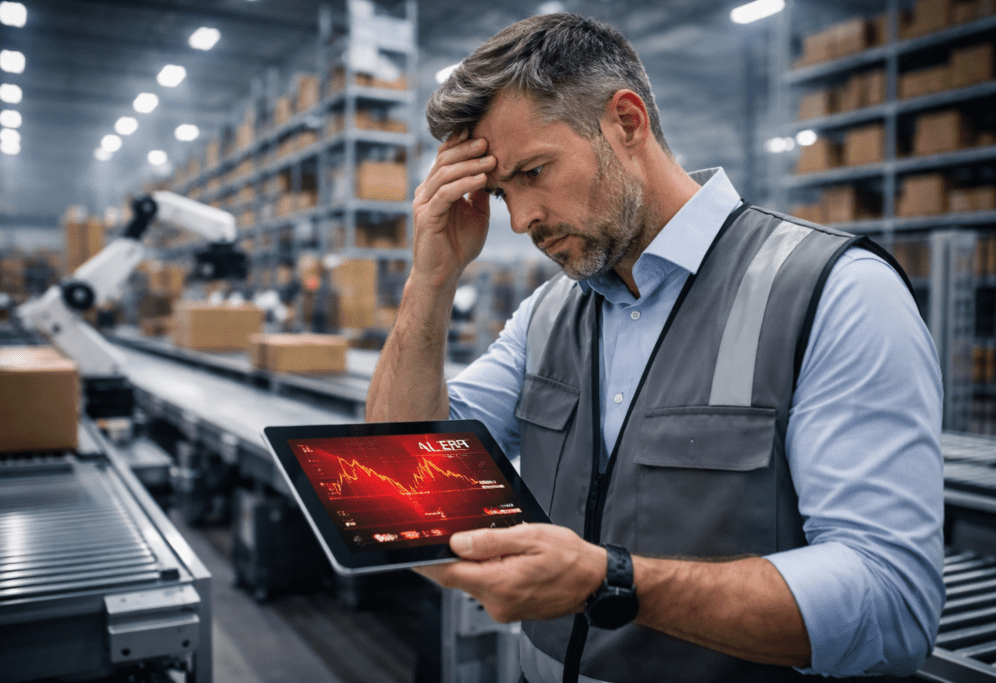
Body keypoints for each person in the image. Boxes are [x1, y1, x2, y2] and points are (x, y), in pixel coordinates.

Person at [366, 12, 945, 683]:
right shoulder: (549, 313)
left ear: (627, 122)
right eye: (502, 192)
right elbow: (402, 474)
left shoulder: (833, 291)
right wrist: (431, 278)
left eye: (534, 171)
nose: (521, 220)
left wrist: (611, 581)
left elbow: (893, 602)